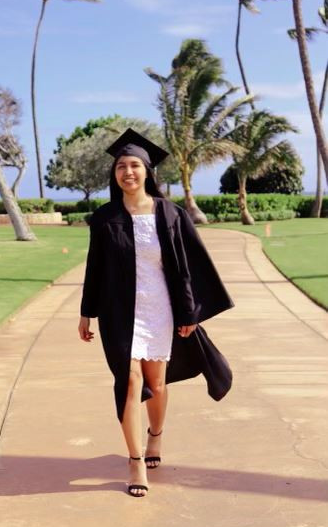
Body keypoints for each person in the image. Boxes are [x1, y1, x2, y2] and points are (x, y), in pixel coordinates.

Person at [78, 128, 234, 497]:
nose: (127, 172)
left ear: (147, 171)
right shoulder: (104, 218)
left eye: (134, 165)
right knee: (130, 382)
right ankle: (135, 462)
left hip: (160, 309)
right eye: (120, 166)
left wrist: (190, 312)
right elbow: (94, 268)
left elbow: (188, 267)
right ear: (114, 175)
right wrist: (87, 313)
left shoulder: (171, 214)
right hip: (120, 314)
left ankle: (155, 438)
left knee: (157, 383)